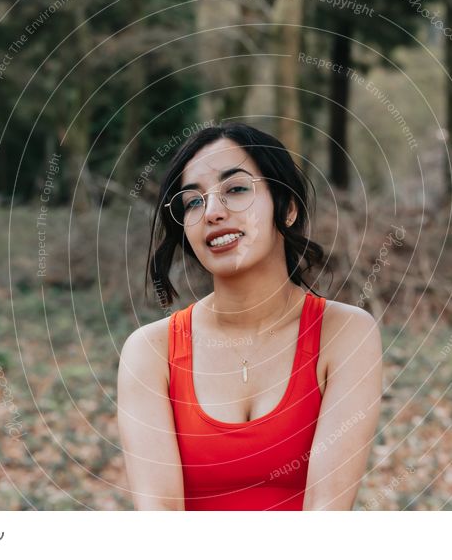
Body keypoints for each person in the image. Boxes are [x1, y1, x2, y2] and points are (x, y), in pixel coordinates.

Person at [118, 122, 383, 510]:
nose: (211, 212)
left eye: (236, 189)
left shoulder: (344, 333)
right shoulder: (151, 351)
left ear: (287, 208)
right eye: (192, 201)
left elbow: (326, 515)